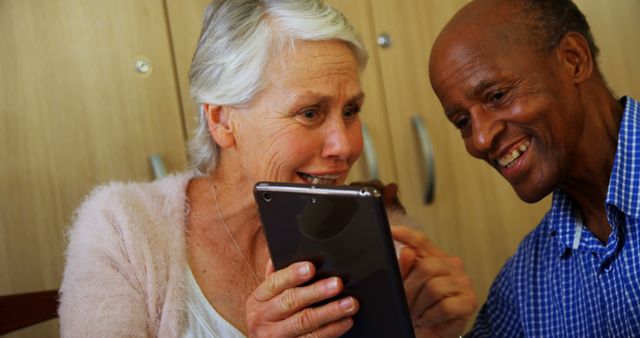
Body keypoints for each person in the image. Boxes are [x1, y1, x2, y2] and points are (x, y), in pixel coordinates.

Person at [59, 0, 477, 337]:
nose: (345, 146)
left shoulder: (372, 228)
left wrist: (431, 331)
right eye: (310, 112)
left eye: (351, 110)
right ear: (222, 121)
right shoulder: (121, 228)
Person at [429, 0, 640, 336]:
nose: (481, 139)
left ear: (573, 60)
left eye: (497, 96)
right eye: (463, 121)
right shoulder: (523, 283)